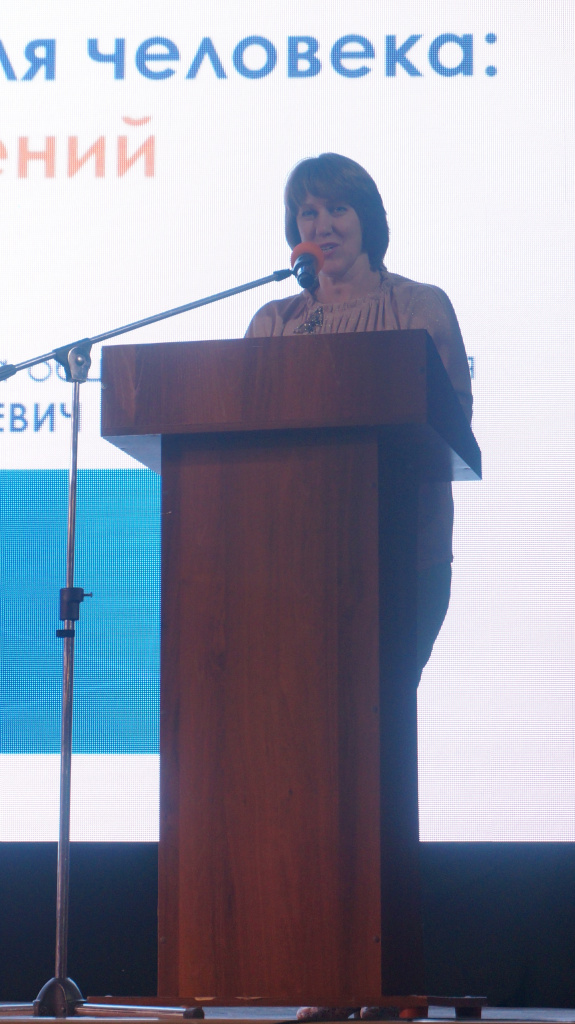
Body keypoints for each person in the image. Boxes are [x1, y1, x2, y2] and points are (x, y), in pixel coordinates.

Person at [245, 153, 473, 1022]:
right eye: (307, 213)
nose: (322, 226)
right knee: (314, 768)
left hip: (399, 560)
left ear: (365, 218)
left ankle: (381, 973)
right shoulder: (273, 322)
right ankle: (331, 973)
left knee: (373, 752)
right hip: (295, 572)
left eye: (336, 209)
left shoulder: (419, 307)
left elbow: (451, 428)